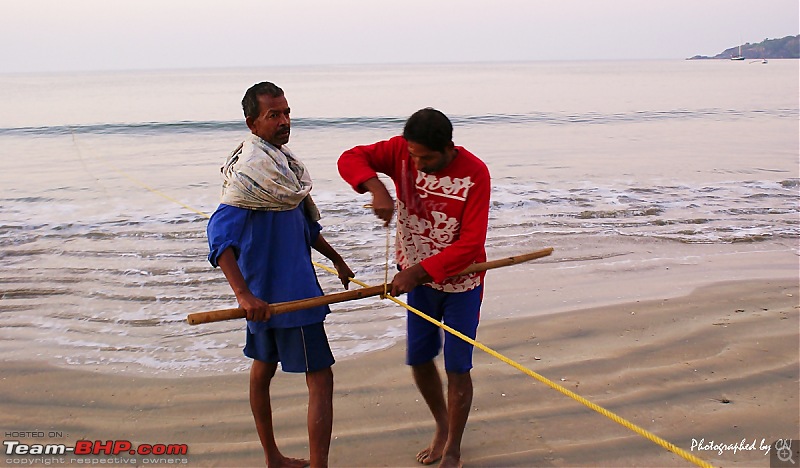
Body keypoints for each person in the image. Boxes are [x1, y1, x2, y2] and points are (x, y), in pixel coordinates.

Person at [207, 81, 353, 468]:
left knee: (262, 369)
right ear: (252, 123)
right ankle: (305, 463)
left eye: (286, 112)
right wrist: (243, 295)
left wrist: (337, 260)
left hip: (266, 299)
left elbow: (306, 228)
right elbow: (219, 237)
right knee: (320, 378)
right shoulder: (251, 173)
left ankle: (274, 459)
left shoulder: (283, 169)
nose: (284, 121)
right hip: (291, 299)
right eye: (274, 115)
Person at [338, 108, 491, 468]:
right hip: (415, 276)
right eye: (414, 155)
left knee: (457, 366)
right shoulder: (401, 152)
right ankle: (442, 426)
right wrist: (377, 188)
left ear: (449, 148)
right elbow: (350, 157)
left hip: (462, 283)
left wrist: (420, 273)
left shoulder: (475, 173)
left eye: (427, 158)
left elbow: (470, 244)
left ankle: (453, 445)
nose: (417, 164)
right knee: (420, 358)